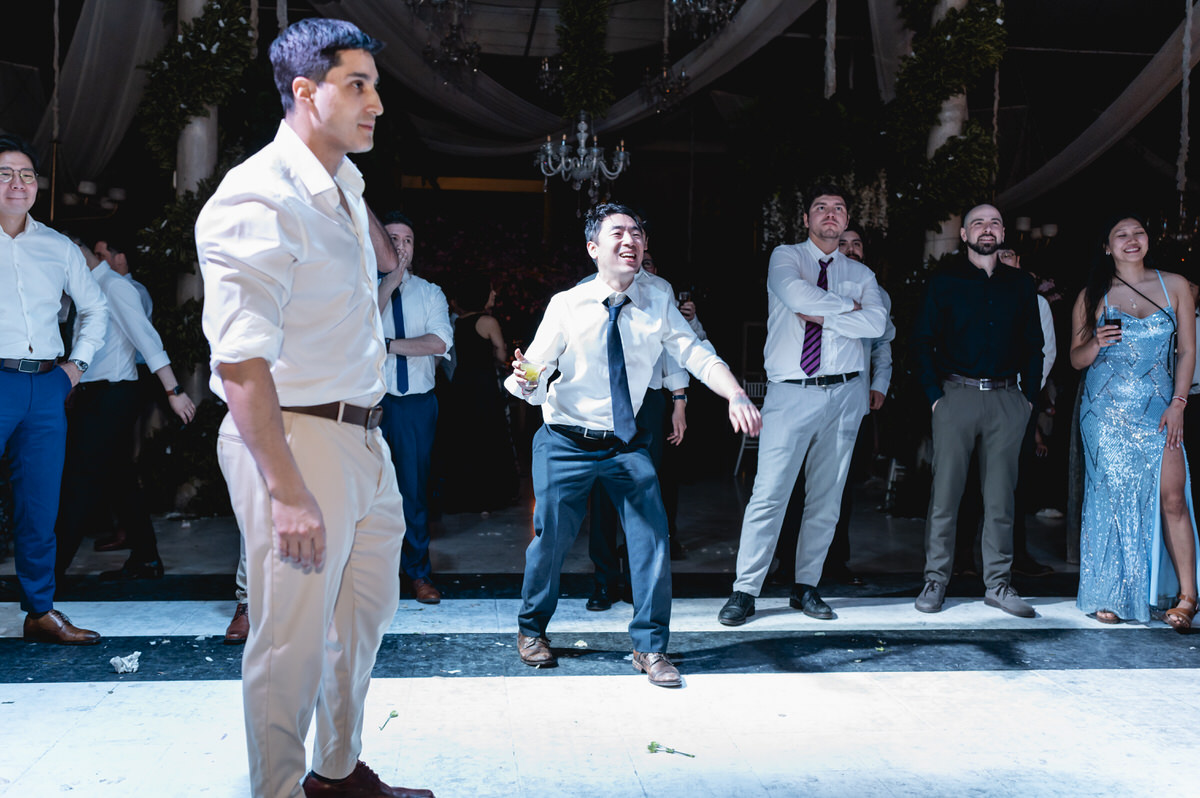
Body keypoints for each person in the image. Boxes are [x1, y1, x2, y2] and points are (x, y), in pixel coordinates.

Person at [195, 19, 434, 798]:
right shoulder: (258, 196)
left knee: (362, 618)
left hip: (363, 435)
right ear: (304, 91)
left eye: (375, 86)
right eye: (356, 86)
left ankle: (335, 773)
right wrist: (287, 490)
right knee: (289, 642)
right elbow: (239, 362)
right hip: (295, 438)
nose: (376, 104)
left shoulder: (343, 184)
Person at [507, 202, 761, 688]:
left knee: (652, 540)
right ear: (593, 248)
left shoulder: (657, 296)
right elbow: (534, 369)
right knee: (551, 541)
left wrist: (734, 393)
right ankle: (531, 629)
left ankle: (649, 646)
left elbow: (694, 352)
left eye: (637, 233)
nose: (631, 241)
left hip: (624, 444)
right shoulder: (567, 304)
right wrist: (525, 378)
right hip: (565, 440)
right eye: (618, 233)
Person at [718, 185, 887, 626]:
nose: (831, 214)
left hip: (845, 393)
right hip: (791, 391)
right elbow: (797, 297)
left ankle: (806, 586)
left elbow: (876, 323)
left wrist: (827, 316)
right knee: (769, 494)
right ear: (807, 218)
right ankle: (745, 590)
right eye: (821, 208)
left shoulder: (862, 274)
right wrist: (847, 309)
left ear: (847, 219)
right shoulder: (786, 257)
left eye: (839, 208)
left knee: (826, 499)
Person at [0, 133, 107, 645]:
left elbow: (96, 308)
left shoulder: (57, 247)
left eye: (26, 175)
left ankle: (39, 611)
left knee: (40, 506)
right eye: (5, 174)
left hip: (45, 387)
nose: (17, 184)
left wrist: (76, 366)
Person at [912, 203, 1043, 618]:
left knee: (1001, 498)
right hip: (956, 395)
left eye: (995, 223)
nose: (988, 228)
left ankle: (998, 584)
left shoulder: (1021, 284)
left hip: (1007, 399)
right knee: (945, 494)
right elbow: (922, 341)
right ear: (965, 234)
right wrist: (935, 397)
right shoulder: (944, 281)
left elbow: (1034, 346)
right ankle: (936, 579)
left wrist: (1028, 400)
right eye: (978, 223)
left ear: (1003, 233)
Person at [1069, 214, 1200, 628]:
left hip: (1161, 409)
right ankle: (1110, 592)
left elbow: (1187, 351)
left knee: (1173, 498)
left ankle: (1188, 596)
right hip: (1104, 413)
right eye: (1121, 234)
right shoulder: (1092, 295)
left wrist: (1178, 403)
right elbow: (1076, 359)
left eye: (1138, 232)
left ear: (1148, 240)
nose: (1131, 239)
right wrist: (1095, 343)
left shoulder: (1175, 285)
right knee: (1111, 500)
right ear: (1107, 246)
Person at [53, 239, 196, 581]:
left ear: (77, 256)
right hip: (97, 394)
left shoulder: (115, 287)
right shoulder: (87, 289)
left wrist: (174, 390)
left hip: (112, 395)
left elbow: (148, 340)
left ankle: (49, 570)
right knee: (120, 479)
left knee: (79, 478)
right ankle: (146, 558)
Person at [585, 250, 692, 612]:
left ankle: (637, 581)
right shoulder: (586, 290)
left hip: (647, 400)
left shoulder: (660, 290)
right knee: (602, 492)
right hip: (604, 399)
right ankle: (603, 581)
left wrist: (679, 400)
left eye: (637, 235)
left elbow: (673, 348)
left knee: (644, 492)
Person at [377, 211, 453, 604]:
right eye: (392, 239)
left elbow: (438, 342)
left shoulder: (430, 293)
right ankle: (372, 576)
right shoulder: (360, 290)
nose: (401, 246)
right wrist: (389, 282)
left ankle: (418, 573)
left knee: (413, 491)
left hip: (415, 406)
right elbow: (356, 332)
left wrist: (386, 345)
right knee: (366, 493)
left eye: (407, 240)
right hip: (369, 404)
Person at [823, 226, 894, 585]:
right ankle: (788, 563)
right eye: (843, 244)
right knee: (801, 485)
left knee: (843, 485)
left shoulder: (876, 292)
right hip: (812, 396)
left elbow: (882, 344)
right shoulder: (815, 284)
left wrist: (879, 384)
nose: (851, 249)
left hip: (855, 399)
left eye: (857, 244)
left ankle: (836, 563)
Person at [438, 273, 518, 513]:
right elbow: (502, 355)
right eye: (490, 290)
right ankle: (491, 494)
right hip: (483, 384)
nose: (494, 294)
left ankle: (466, 494)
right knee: (488, 435)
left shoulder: (459, 322)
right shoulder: (488, 321)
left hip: (462, 383)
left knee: (466, 437)